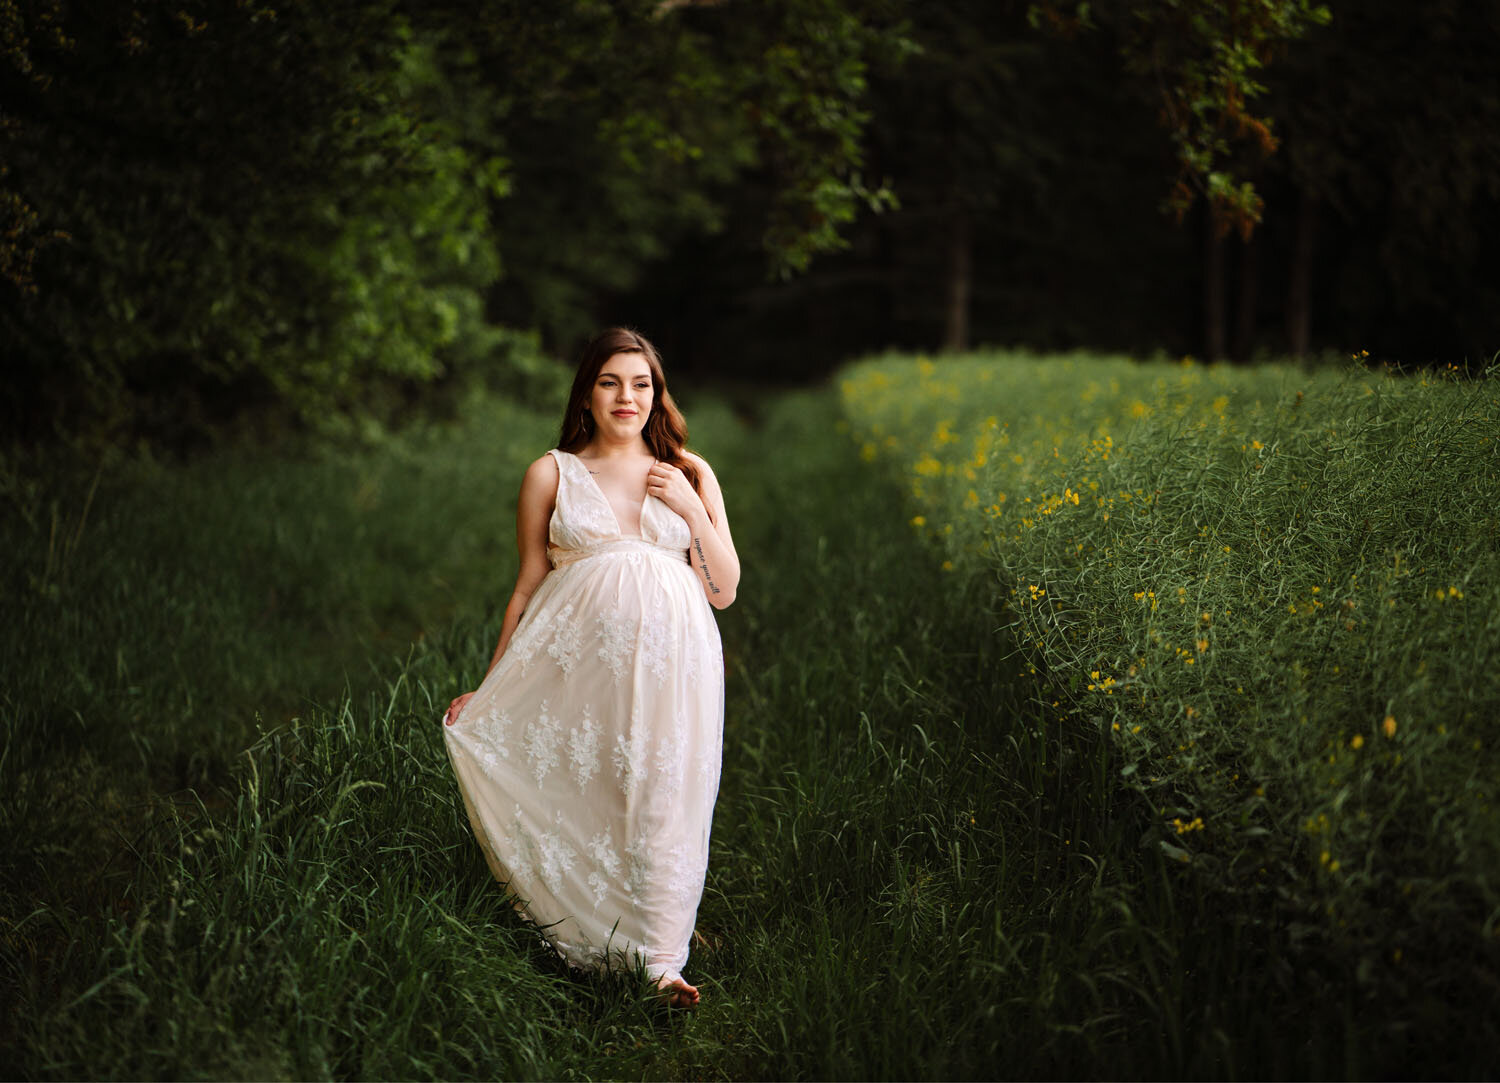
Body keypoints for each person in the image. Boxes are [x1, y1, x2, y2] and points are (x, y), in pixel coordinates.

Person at [441, 327, 738, 1010]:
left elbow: (723, 589)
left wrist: (692, 509)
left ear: (658, 395)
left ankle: (660, 962)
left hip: (676, 665)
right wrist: (490, 688)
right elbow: (526, 584)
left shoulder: (690, 471)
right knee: (600, 781)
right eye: (610, 382)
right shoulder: (552, 472)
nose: (626, 396)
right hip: (580, 664)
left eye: (641, 383)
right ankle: (590, 938)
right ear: (587, 393)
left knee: (663, 793)